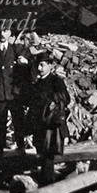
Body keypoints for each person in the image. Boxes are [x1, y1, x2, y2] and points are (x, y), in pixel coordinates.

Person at [0, 26, 33, 157]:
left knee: (18, 120)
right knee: (1, 121)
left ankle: (20, 146)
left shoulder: (15, 49)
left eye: (5, 31)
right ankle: (0, 148)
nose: (2, 34)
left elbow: (30, 60)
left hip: (14, 93)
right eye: (0, 31)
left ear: (10, 33)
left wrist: (25, 61)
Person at [27, 53, 70, 184]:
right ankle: (46, 182)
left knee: (48, 155)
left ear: (50, 66)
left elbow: (65, 99)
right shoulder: (36, 83)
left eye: (42, 65)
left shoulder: (56, 81)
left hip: (51, 125)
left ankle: (48, 184)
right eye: (38, 65)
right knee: (41, 152)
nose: (39, 68)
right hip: (39, 124)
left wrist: (52, 102)